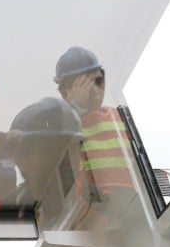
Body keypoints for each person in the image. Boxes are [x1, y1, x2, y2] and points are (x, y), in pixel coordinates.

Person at [53, 46, 136, 206]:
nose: (97, 89)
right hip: (94, 212)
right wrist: (75, 111)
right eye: (86, 84)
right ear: (65, 92)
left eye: (99, 80)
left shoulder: (121, 117)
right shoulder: (62, 130)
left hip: (135, 203)